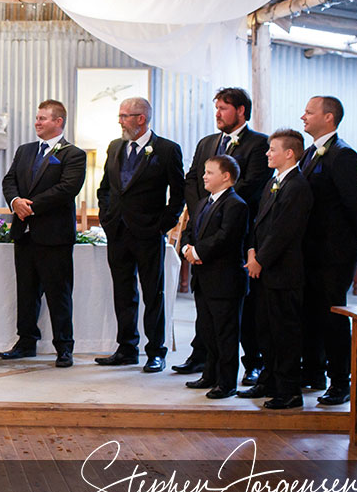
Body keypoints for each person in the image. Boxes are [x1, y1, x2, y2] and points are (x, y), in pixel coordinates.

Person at [175, 87, 270, 383]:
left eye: (224, 108)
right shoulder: (207, 143)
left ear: (241, 111)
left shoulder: (258, 144)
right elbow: (192, 180)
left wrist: (221, 204)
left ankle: (251, 360)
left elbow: (252, 184)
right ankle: (203, 358)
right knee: (206, 309)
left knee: (240, 309)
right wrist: (202, 209)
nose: (217, 113)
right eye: (216, 108)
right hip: (204, 221)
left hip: (238, 232)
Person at [95, 97, 185, 373]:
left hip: (148, 232)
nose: (120, 121)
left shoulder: (166, 150)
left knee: (153, 293)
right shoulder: (115, 146)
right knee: (123, 292)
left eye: (124, 116)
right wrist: (106, 216)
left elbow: (178, 193)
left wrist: (162, 225)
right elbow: (106, 187)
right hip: (118, 231)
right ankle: (126, 348)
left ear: (141, 119)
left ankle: (156, 351)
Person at [0, 99, 86, 367]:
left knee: (58, 293)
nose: (37, 122)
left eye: (43, 118)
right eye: (36, 118)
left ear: (58, 121)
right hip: (24, 234)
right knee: (26, 291)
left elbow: (67, 188)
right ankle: (26, 342)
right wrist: (15, 202)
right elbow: (9, 180)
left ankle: (64, 347)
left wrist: (30, 206)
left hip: (54, 235)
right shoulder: (25, 151)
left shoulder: (73, 154)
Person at [299, 95, 357, 405]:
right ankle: (312, 372)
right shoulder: (308, 154)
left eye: (309, 112)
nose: (303, 117)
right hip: (308, 252)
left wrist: (349, 240)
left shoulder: (342, 155)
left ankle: (341, 380)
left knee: (332, 316)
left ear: (328, 118)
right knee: (309, 314)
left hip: (333, 253)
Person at [240, 129, 314, 409]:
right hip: (265, 267)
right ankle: (269, 380)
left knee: (285, 331)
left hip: (283, 271)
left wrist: (261, 258)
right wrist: (251, 250)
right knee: (265, 329)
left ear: (289, 153)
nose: (267, 153)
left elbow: (285, 230)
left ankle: (289, 390)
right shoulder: (275, 181)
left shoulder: (297, 186)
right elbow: (260, 222)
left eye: (272, 149)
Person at [179, 155, 248, 399]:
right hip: (203, 277)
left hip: (224, 279)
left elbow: (225, 237)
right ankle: (209, 374)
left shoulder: (236, 204)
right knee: (207, 330)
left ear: (226, 176)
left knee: (225, 333)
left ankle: (227, 382)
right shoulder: (202, 203)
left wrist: (198, 251)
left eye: (209, 172)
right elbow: (189, 230)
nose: (204, 176)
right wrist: (187, 248)